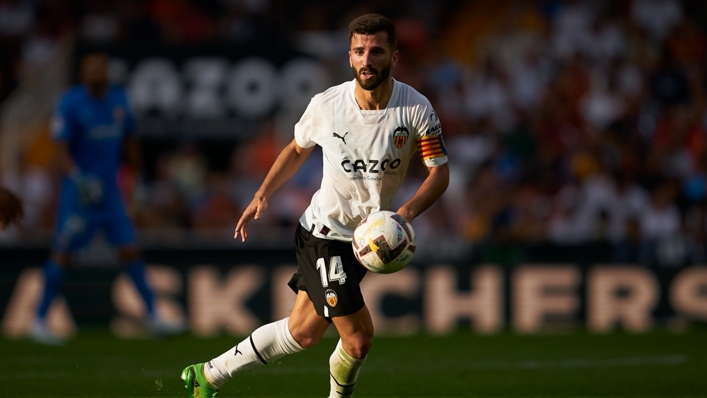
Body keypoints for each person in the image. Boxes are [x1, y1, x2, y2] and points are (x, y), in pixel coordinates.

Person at [181, 13, 449, 398]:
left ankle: (208, 375)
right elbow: (295, 149)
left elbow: (439, 174)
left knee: (302, 332)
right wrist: (263, 193)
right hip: (326, 234)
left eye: (376, 51)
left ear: (393, 57)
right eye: (359, 51)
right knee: (358, 341)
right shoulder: (327, 105)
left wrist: (405, 213)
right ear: (350, 56)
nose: (367, 59)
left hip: (367, 241)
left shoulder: (416, 109)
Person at [30, 53, 183, 345]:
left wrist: (136, 182)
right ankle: (39, 321)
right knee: (62, 253)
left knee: (130, 251)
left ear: (107, 72)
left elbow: (131, 142)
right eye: (92, 68)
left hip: (110, 194)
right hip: (80, 194)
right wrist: (77, 177)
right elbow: (59, 149)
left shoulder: (119, 100)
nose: (97, 72)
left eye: (101, 68)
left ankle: (153, 317)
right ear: (84, 73)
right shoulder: (70, 102)